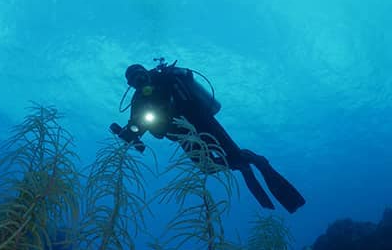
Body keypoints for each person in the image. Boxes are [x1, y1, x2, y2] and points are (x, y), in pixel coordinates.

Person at [110, 58, 305, 213]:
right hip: (183, 136)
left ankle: (252, 159)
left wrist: (171, 73)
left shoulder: (166, 78)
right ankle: (243, 161)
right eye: (135, 79)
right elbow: (136, 127)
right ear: (131, 84)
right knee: (207, 167)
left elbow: (188, 77)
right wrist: (127, 134)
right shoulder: (138, 102)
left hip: (203, 121)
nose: (140, 79)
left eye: (141, 74)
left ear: (147, 71)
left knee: (234, 156)